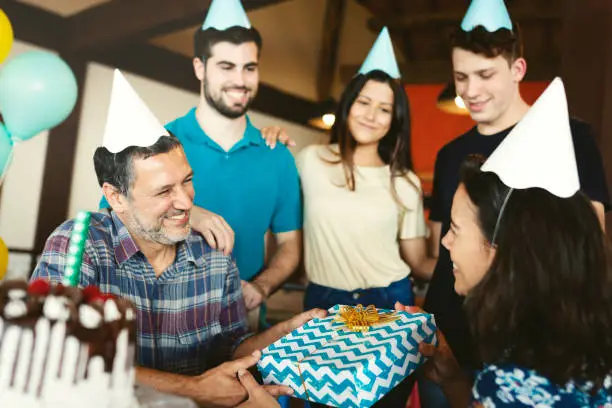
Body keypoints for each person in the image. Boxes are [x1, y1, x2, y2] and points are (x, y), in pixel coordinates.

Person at [32, 70, 323, 408]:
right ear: (115, 197)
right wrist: (195, 388)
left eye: (187, 180)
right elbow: (53, 351)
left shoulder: (215, 258)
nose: (187, 202)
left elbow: (230, 348)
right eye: (164, 191)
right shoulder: (79, 244)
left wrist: (281, 334)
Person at [421, 0, 610, 405]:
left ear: (517, 69)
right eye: (460, 77)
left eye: (484, 74)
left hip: (533, 343)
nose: (470, 90)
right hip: (452, 335)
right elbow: (441, 249)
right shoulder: (450, 153)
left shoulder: (569, 140)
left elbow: (583, 246)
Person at [297, 28, 436, 312]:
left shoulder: (404, 181)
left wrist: (483, 268)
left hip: (388, 299)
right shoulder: (309, 160)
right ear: (348, 106)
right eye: (363, 103)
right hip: (323, 300)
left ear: (394, 120)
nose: (371, 116)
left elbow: (419, 263)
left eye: (384, 109)